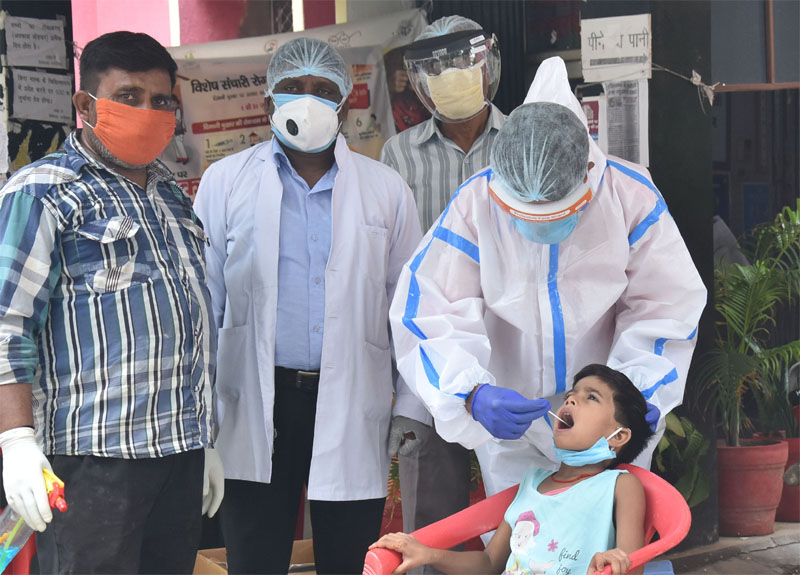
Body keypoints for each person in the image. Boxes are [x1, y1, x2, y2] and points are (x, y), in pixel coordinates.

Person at [389, 57, 707, 501]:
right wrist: (471, 393)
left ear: (586, 175)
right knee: (518, 535)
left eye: (557, 212)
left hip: (608, 427)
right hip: (512, 426)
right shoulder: (475, 202)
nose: (540, 225)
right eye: (524, 213)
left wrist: (636, 393)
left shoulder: (628, 195)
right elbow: (430, 307)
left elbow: (666, 304)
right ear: (503, 186)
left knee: (607, 531)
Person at [193, 38, 422, 575]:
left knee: (350, 558)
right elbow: (203, 301)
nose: (307, 99)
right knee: (255, 557)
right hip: (256, 398)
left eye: (322, 89)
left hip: (352, 397)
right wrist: (201, 414)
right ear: (268, 100)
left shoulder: (386, 189)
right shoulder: (226, 181)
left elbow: (410, 308)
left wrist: (411, 405)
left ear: (344, 103)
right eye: (293, 88)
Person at [0, 31, 223, 574]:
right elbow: (8, 321)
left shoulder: (171, 196)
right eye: (128, 96)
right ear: (86, 105)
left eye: (161, 100)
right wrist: (16, 441)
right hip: (92, 459)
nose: (148, 111)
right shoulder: (43, 191)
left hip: (180, 450)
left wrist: (205, 439)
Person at [380, 15, 506, 562]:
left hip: (511, 341)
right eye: (437, 66)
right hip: (432, 345)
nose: (452, 74)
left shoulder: (522, 139)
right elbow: (392, 260)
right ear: (420, 79)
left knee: (523, 495)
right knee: (431, 504)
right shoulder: (398, 154)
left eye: (463, 61)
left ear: (487, 64)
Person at [372, 364, 654, 575]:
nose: (570, 400)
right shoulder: (531, 482)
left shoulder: (620, 485)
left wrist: (612, 564)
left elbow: (632, 564)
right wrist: (427, 554)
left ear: (618, 436)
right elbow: (488, 563)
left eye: (591, 397)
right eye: (571, 395)